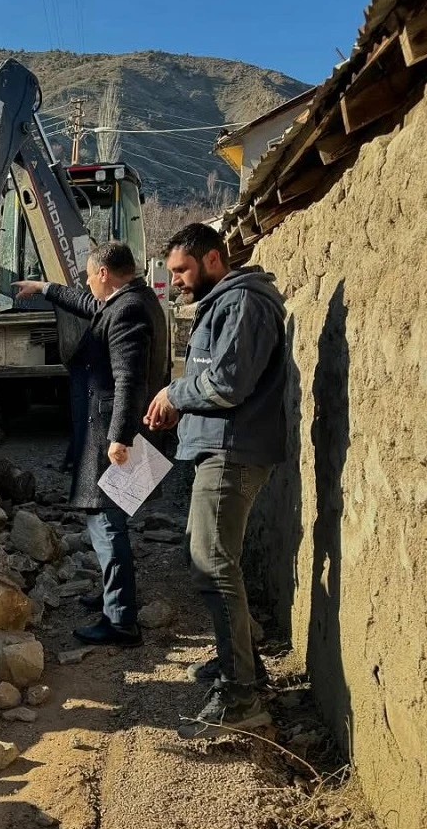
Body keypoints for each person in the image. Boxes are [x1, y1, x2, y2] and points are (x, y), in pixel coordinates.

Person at [143, 223, 289, 739]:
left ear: (211, 259)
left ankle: (241, 692)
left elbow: (228, 384)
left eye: (182, 270)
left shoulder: (243, 304)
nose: (176, 281)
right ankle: (244, 665)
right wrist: (180, 404)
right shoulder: (223, 303)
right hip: (218, 447)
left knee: (213, 564)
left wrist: (176, 395)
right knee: (205, 557)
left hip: (233, 450)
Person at [14, 241, 168, 646]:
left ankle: (120, 621)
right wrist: (46, 288)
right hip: (124, 431)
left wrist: (120, 437)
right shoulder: (135, 298)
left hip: (115, 434)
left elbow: (128, 379)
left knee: (105, 522)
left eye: (87, 274)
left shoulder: (128, 310)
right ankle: (113, 597)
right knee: (109, 520)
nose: (85, 281)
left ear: (103, 273)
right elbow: (87, 303)